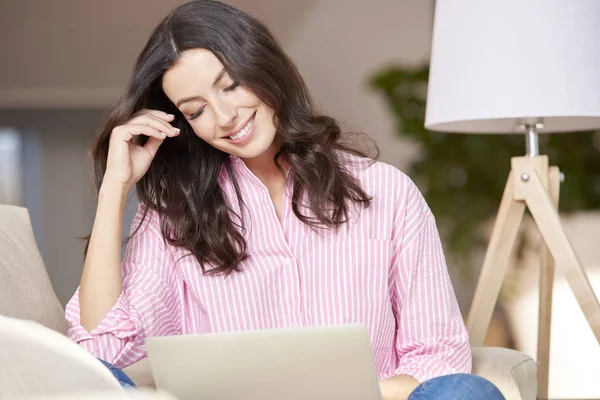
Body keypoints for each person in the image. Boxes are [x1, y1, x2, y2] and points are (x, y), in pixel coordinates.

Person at [65, 1, 504, 399]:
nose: (224, 118)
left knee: (465, 392)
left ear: (264, 67)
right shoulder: (175, 214)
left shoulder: (386, 192)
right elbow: (103, 349)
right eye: (196, 111)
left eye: (231, 85)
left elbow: (438, 360)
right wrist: (115, 189)